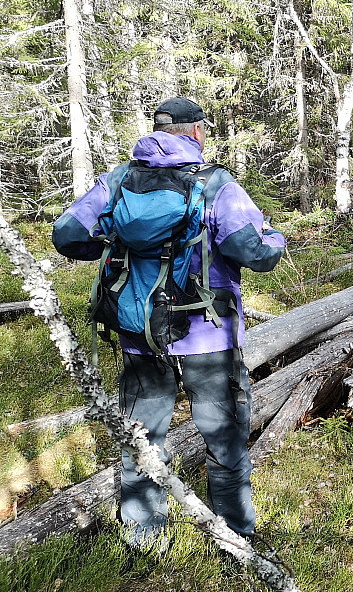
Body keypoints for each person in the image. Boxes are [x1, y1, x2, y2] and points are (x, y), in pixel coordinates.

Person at [52, 97, 286, 551]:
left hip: (140, 334)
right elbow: (255, 253)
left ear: (157, 130)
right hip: (207, 335)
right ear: (196, 131)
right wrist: (274, 237)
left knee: (141, 435)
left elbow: (66, 235)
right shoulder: (215, 182)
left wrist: (111, 248)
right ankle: (236, 537)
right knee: (225, 435)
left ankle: (142, 539)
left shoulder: (120, 179)